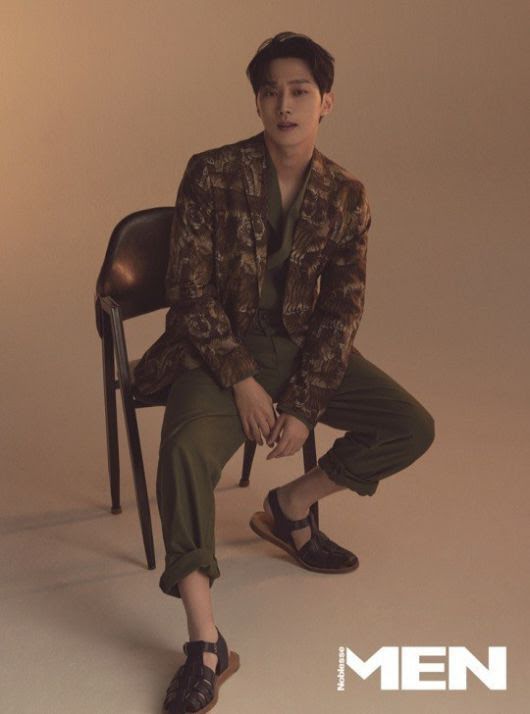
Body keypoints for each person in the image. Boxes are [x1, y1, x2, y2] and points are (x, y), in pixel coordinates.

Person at [133, 31, 435, 713]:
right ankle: (206, 643)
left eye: (300, 91)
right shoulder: (212, 172)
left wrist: (303, 403)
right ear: (257, 102)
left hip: (302, 353)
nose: (284, 104)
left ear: (326, 101)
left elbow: (341, 310)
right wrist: (242, 379)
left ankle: (291, 506)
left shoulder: (347, 196)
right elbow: (188, 292)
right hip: (215, 350)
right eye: (271, 92)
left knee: (410, 426)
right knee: (183, 452)